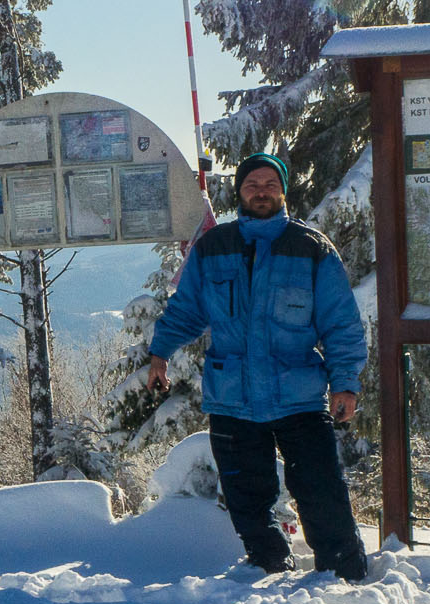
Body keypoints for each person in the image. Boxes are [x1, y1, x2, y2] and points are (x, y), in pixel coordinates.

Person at [146, 152, 370, 580]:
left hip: (299, 398)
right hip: (233, 400)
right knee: (247, 498)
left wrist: (345, 383)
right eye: (252, 185)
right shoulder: (213, 247)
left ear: (283, 190)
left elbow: (341, 324)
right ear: (240, 192)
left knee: (322, 492)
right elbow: (187, 310)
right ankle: (268, 570)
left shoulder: (312, 249)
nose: (261, 191)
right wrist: (160, 353)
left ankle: (346, 577)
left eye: (270, 184)